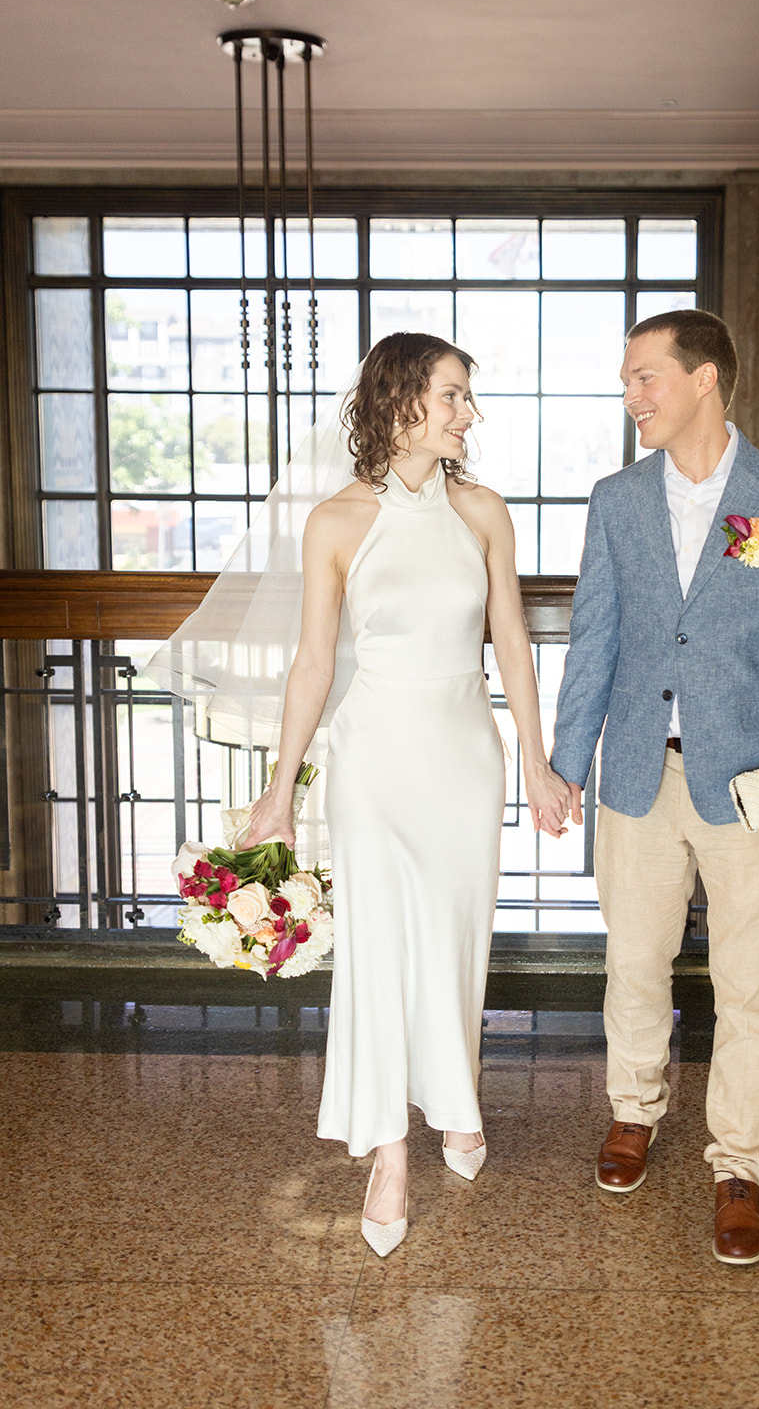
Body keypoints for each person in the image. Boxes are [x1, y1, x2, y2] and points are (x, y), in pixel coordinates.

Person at [241, 332, 571, 1257]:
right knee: (380, 950)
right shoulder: (336, 522)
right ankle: (389, 1151)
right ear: (399, 403)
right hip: (374, 756)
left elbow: (511, 641)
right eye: (454, 395)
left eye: (468, 397)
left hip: (465, 754)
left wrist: (536, 763)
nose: (468, 413)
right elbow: (313, 664)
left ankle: (455, 1099)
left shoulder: (483, 512)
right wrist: (279, 792)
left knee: (456, 940)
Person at [550, 309, 759, 1266]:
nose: (632, 396)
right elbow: (592, 638)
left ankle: (738, 1166)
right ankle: (633, 1114)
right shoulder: (616, 499)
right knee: (633, 965)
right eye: (627, 380)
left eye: (645, 377)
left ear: (705, 380)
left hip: (753, 784)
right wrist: (566, 764)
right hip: (639, 773)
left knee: (751, 987)